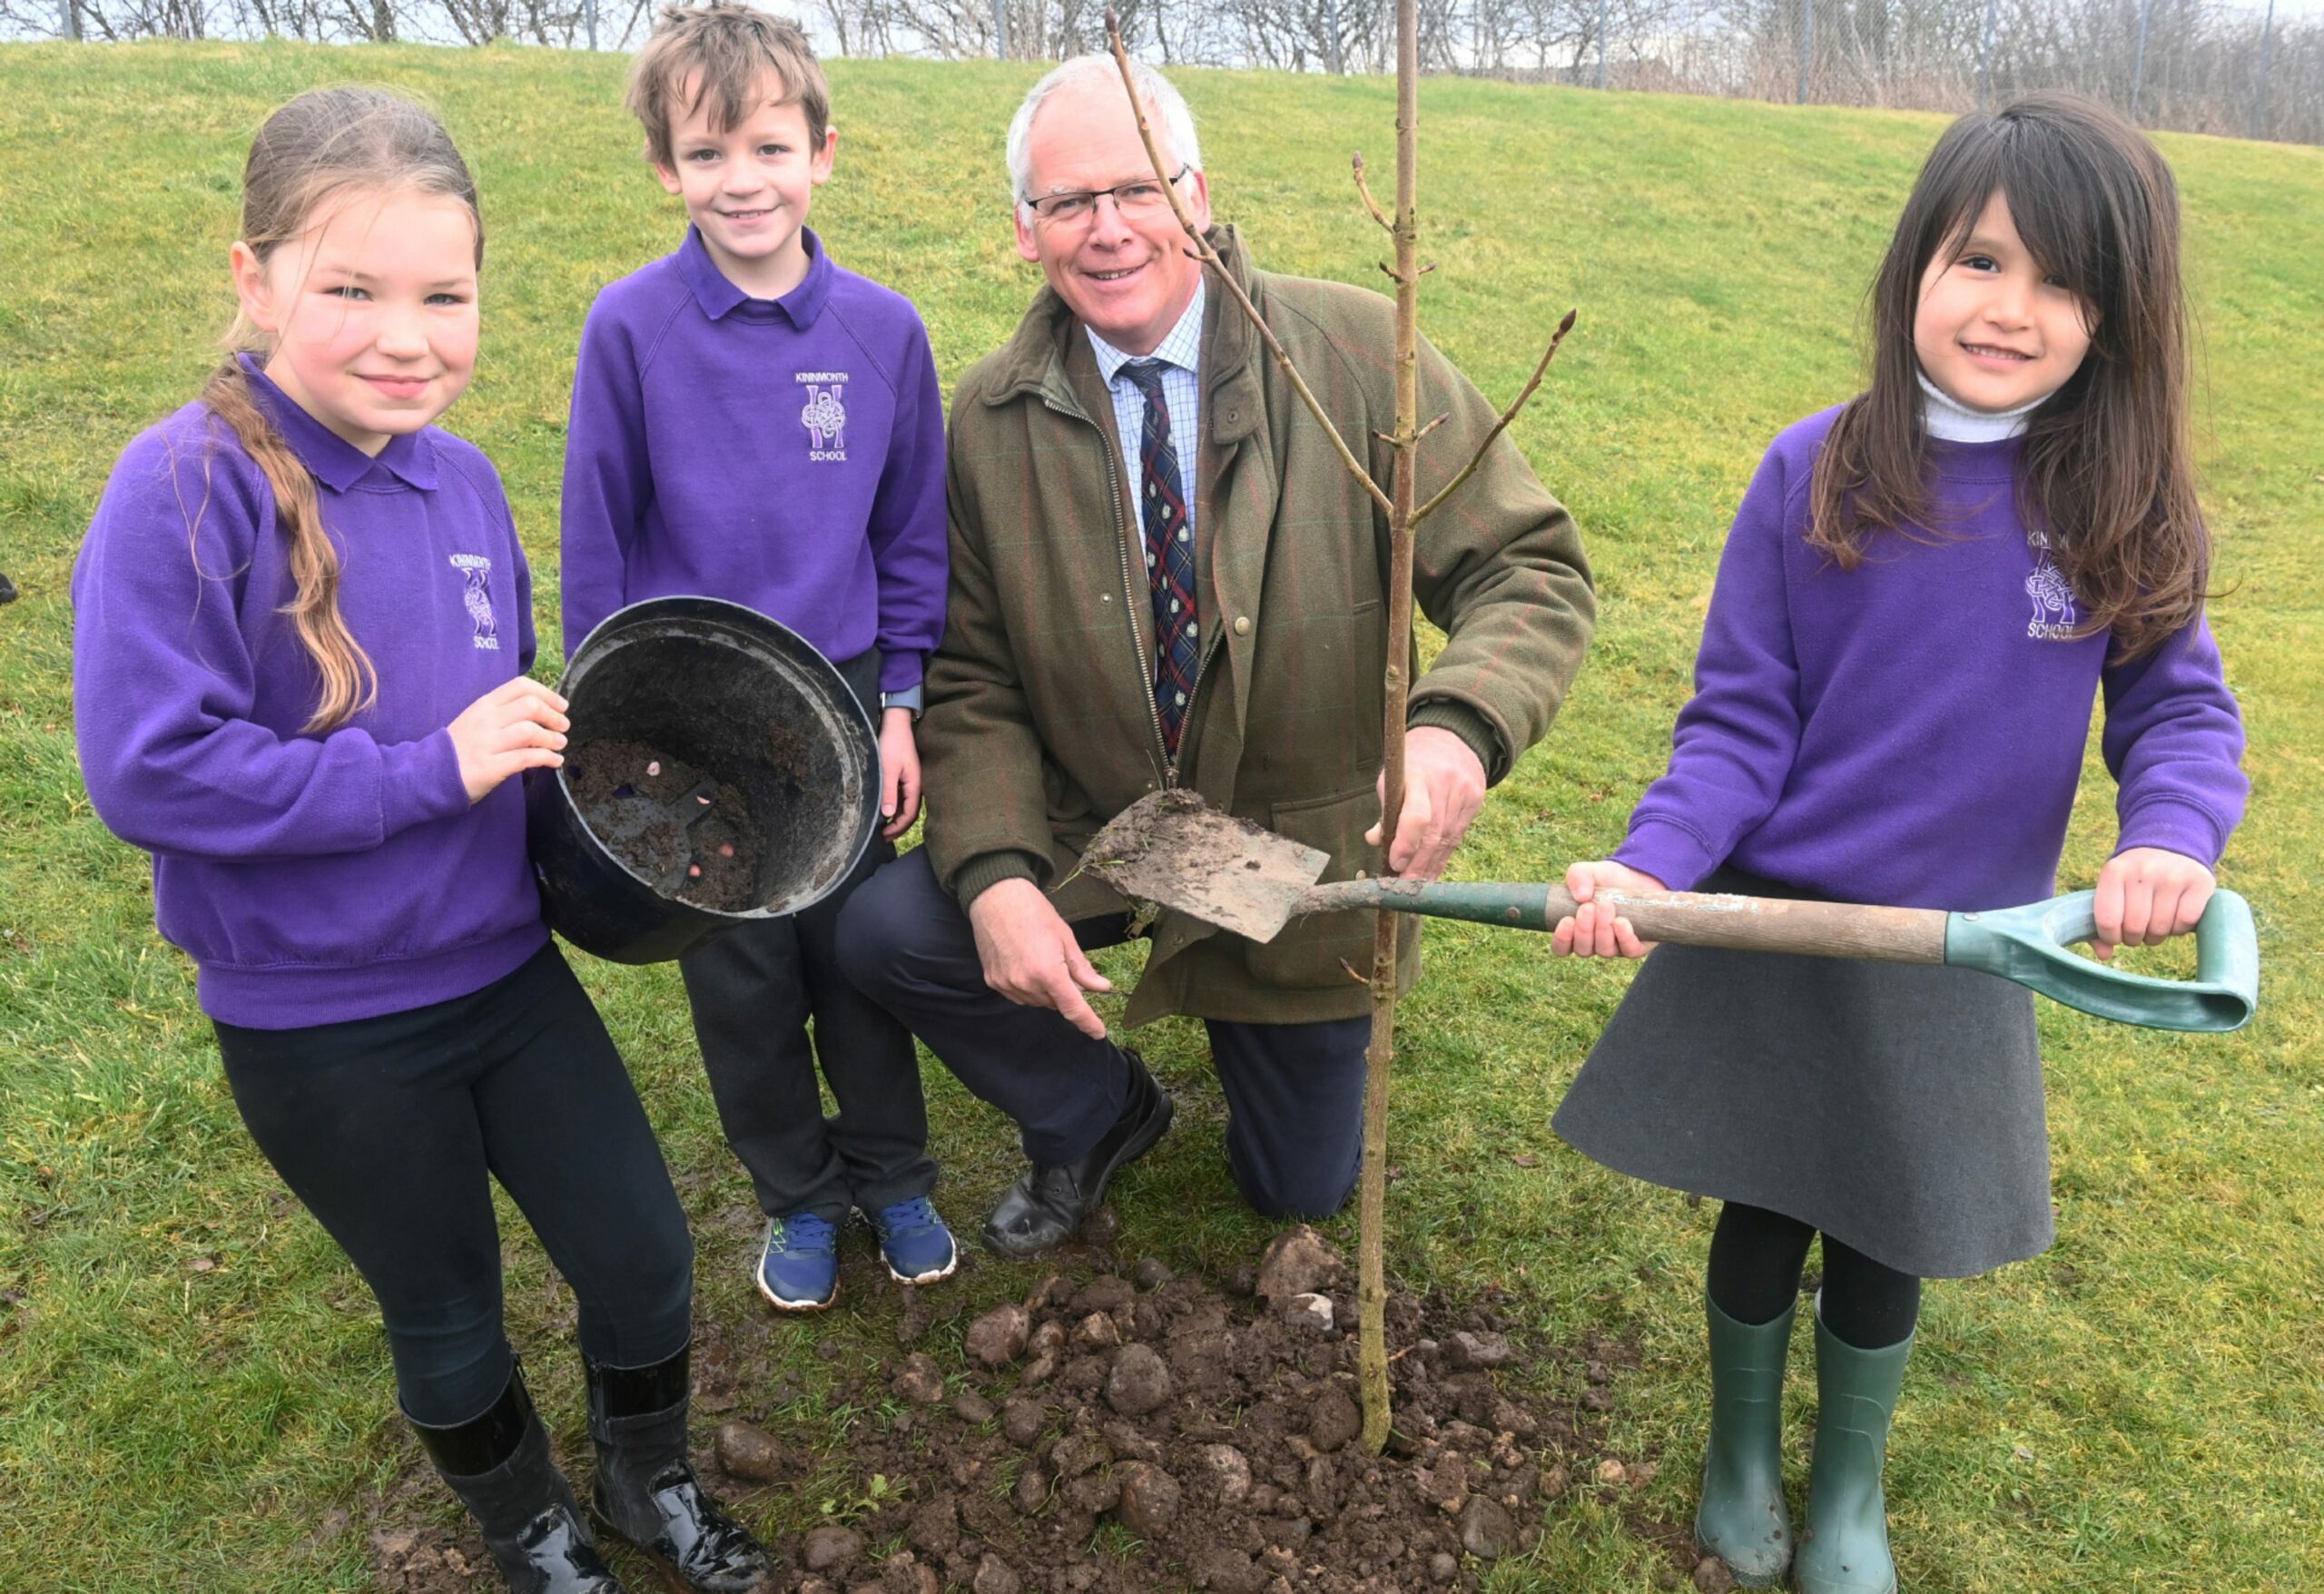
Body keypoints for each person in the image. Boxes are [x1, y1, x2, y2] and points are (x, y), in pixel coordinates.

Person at [72, 88, 777, 1594]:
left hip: (503, 977)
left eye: (444, 296)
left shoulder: (457, 479)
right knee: (445, 1302)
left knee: (645, 1252)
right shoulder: (186, 488)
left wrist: (632, 815)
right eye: (352, 290)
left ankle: (649, 1488)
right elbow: (150, 770)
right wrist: (420, 776)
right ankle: (534, 1532)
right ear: (254, 280)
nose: (407, 337)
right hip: (320, 1019)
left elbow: (500, 724)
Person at [1549, 93, 2247, 1594]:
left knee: (1889, 1224)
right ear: (1913, 265)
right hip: (1779, 925)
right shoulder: (1813, 472)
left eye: (2064, 283)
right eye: (1981, 260)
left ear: (2118, 318)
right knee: (1767, 1193)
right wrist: (1654, 864)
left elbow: (2180, 719)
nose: (2012, 309)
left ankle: (1848, 1491)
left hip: (1958, 947)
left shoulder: (2123, 505)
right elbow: (1735, 721)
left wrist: (2170, 839)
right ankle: (1742, 1451)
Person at [837, 54, 1595, 1259]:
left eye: (1137, 188)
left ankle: (1257, 1035)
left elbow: (1529, 568)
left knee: (1295, 1191)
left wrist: (1459, 727)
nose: (1109, 229)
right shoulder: (986, 422)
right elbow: (970, 680)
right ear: (1024, 227)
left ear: (1197, 190)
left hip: (1291, 866)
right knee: (884, 927)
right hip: (1110, 824)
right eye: (1069, 202)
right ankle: (1097, 1109)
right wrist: (994, 878)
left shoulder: (1351, 354)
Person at [561, 4, 953, 1313]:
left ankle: (894, 1173)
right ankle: (796, 1193)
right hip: (687, 720)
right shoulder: (629, 330)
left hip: (839, 706)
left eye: (771, 148)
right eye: (710, 154)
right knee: (739, 978)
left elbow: (910, 537)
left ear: (822, 153)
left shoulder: (883, 335)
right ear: (669, 171)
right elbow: (597, 535)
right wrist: (601, 731)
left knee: (856, 956)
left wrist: (902, 706)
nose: (744, 181)